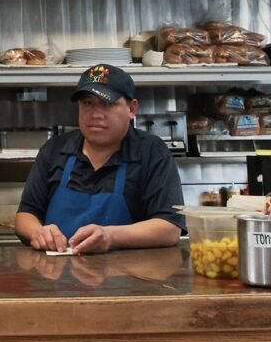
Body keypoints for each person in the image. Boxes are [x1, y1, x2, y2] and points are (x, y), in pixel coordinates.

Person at [15, 64, 184, 255]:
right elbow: (26, 215)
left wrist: (110, 236)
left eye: (108, 104)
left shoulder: (151, 152)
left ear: (132, 108)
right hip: (57, 278)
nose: (96, 114)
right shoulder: (55, 149)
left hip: (130, 280)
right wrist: (38, 232)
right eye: (87, 103)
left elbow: (170, 228)